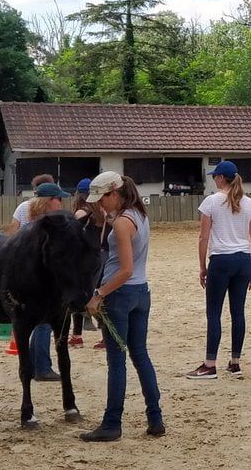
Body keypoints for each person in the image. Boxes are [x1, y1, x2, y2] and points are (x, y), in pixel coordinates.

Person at [81, 171, 163, 442]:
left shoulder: (122, 224)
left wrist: (98, 294)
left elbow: (124, 269)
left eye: (102, 199)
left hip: (120, 294)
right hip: (141, 292)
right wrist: (109, 220)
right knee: (140, 355)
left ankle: (112, 423)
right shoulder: (139, 215)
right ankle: (155, 418)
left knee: (116, 361)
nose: (99, 205)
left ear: (114, 193)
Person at [187, 160, 251, 381]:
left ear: (220, 178)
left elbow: (203, 237)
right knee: (238, 312)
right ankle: (235, 361)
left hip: (221, 259)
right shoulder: (249, 204)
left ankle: (210, 364)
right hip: (242, 260)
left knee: (214, 313)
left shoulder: (211, 202)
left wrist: (202, 266)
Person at [23, 182, 72, 381]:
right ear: (48, 201)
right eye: (58, 199)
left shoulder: (31, 222)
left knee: (39, 324)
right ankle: (42, 367)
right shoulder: (47, 226)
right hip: (41, 282)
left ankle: (36, 365)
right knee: (44, 324)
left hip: (30, 280)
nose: (61, 203)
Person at [69, 178, 103, 348]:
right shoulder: (101, 213)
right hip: (99, 256)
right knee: (98, 294)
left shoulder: (80, 213)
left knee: (82, 295)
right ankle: (102, 335)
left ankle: (77, 335)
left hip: (85, 259)